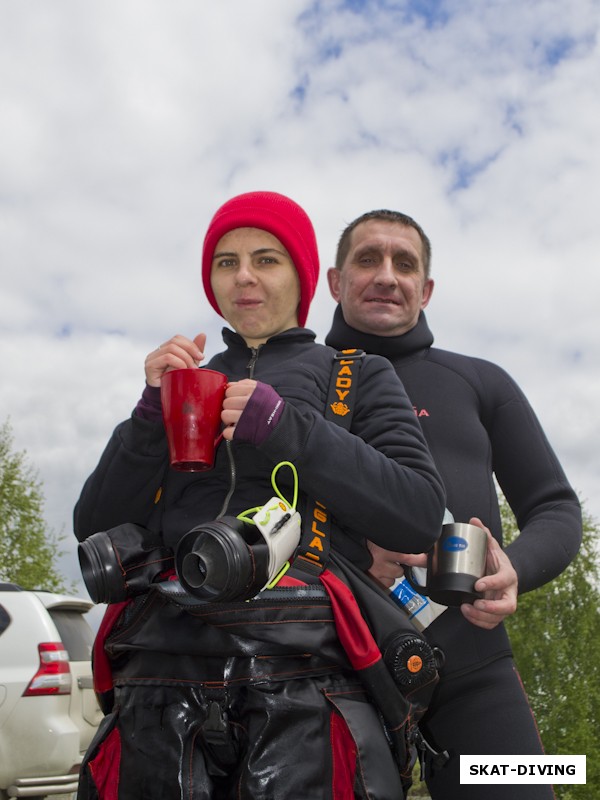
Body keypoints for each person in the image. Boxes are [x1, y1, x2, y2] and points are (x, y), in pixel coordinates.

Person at [73, 192, 446, 800]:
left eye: (266, 259)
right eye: (226, 262)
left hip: (306, 678)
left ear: (302, 275)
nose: (243, 276)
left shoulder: (356, 372)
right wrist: (149, 413)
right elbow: (92, 525)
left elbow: (417, 516)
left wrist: (288, 429)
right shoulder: (182, 381)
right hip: (160, 679)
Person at [325, 209, 582, 800]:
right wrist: (348, 550)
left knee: (541, 783)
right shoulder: (299, 382)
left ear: (427, 289)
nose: (387, 276)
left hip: (474, 667)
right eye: (368, 259)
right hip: (329, 671)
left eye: (405, 263)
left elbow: (556, 507)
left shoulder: (481, 381)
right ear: (335, 282)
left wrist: (512, 568)